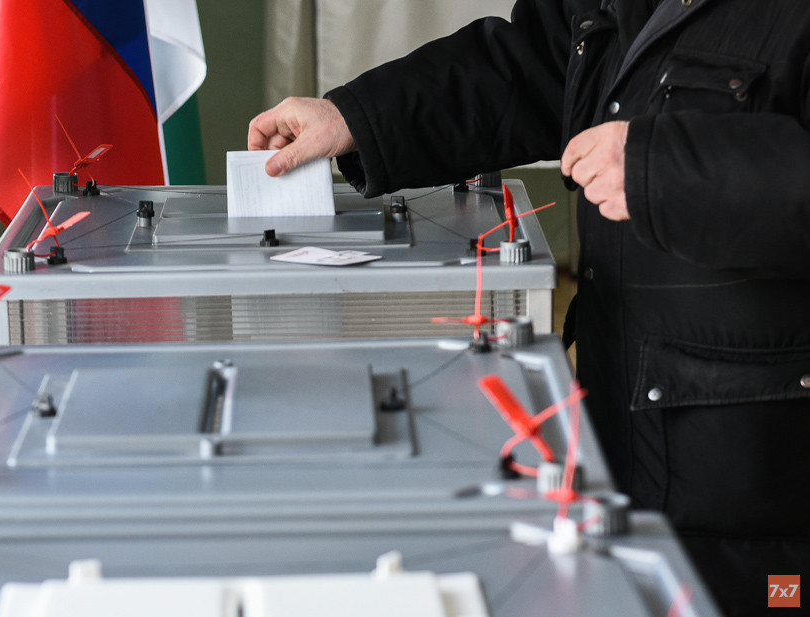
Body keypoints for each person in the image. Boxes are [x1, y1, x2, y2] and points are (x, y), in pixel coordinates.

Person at [248, 2, 810, 615]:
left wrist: (665, 169)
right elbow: (535, 63)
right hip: (631, 418)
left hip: (762, 468)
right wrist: (357, 118)